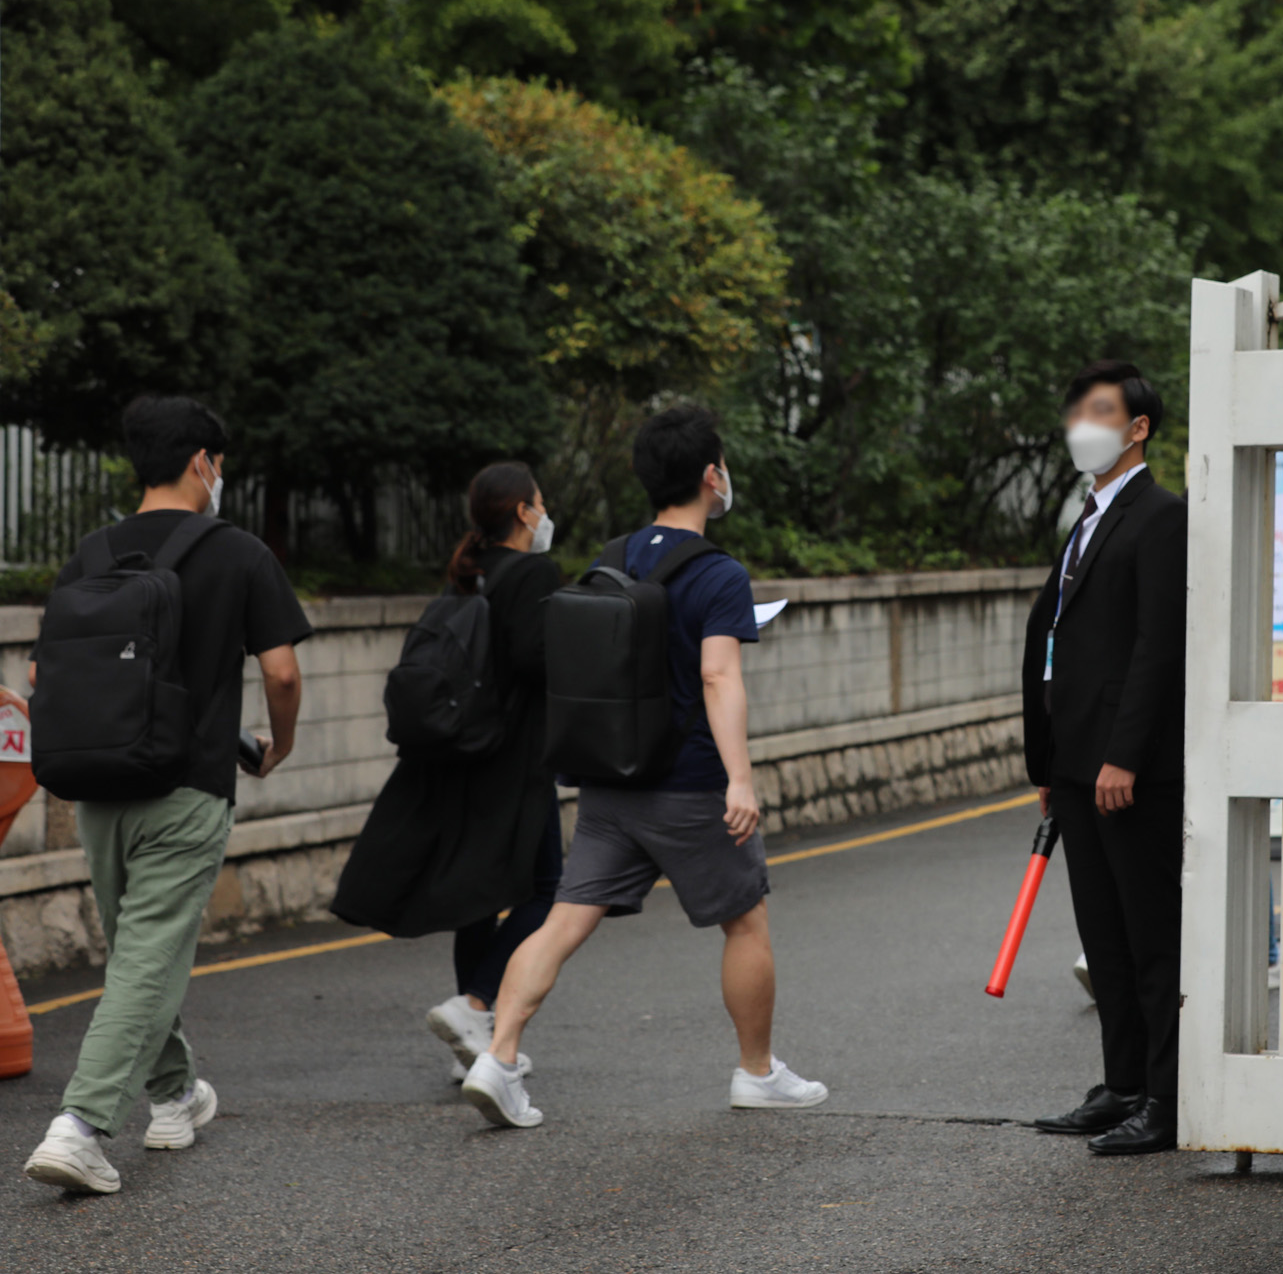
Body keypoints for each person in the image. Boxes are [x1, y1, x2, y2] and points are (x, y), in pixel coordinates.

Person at [458, 405, 825, 1128]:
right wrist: (740, 780)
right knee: (745, 922)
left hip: (607, 780)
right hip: (689, 785)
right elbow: (719, 678)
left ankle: (497, 1058)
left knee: (562, 921)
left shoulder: (610, 556)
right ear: (712, 477)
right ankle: (757, 1073)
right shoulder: (719, 574)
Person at [23, 397, 311, 1195]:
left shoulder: (92, 553)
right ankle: (78, 1127)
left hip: (98, 786)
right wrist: (278, 745)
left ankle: (176, 1094)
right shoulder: (240, 554)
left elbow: (48, 674)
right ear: (202, 463)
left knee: (136, 955)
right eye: (220, 463)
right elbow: (282, 672)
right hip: (187, 786)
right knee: (147, 960)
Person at [331, 462, 564, 1082]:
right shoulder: (533, 573)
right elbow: (536, 662)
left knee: (480, 896)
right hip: (514, 760)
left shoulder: (471, 571)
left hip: (460, 752)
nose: (545, 513)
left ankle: (477, 1042)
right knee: (551, 889)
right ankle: (477, 1003)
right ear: (522, 512)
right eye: (540, 503)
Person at [1022, 361, 1188, 1157]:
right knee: (1105, 935)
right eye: (1076, 411)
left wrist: (1124, 754)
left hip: (1129, 770)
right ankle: (1121, 1083)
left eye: (1099, 411)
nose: (1080, 425)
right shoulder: (1085, 521)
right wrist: (1053, 768)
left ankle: (1167, 1097)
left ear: (1138, 428)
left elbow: (1159, 646)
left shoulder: (1160, 518)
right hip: (1076, 766)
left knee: (1150, 936)